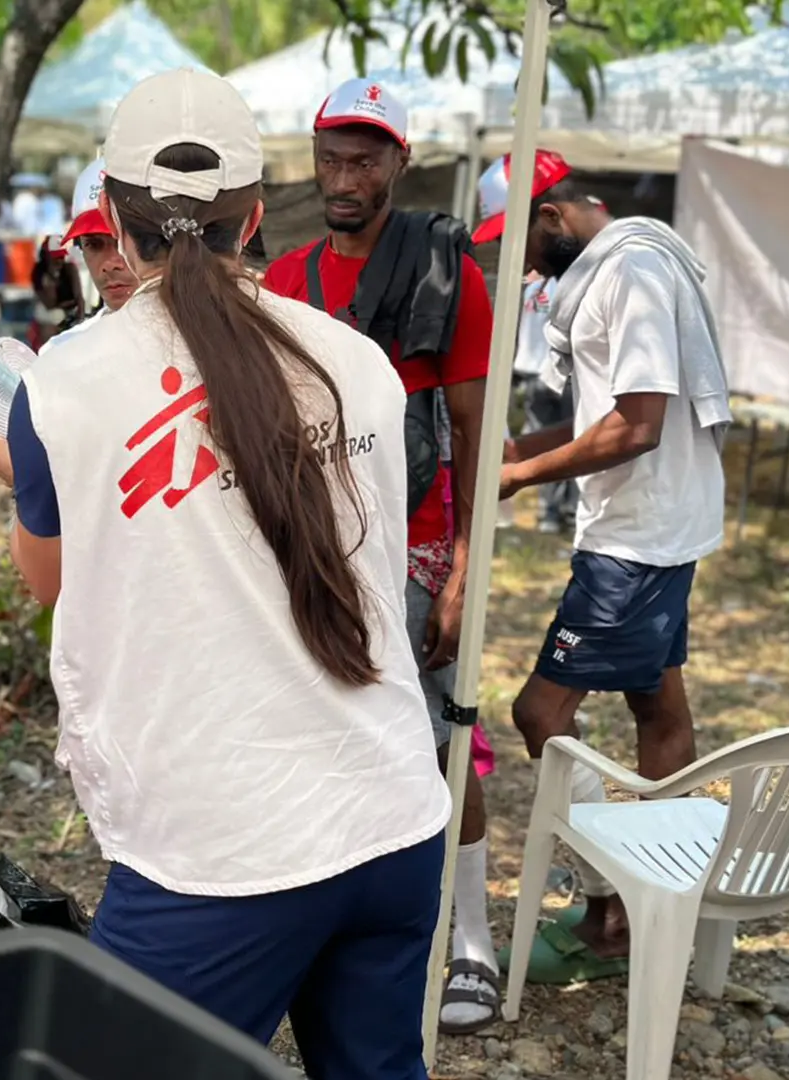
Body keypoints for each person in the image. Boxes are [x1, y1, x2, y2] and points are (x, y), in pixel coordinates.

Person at [0, 69, 451, 1079]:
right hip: (392, 811)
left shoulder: (61, 382)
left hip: (226, 846)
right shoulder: (355, 363)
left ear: (110, 214)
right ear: (255, 217)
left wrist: (26, 464)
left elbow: (49, 583)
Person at [260, 77, 501, 1034]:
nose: (344, 176)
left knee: (437, 733)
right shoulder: (286, 281)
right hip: (315, 539)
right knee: (319, 723)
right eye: (330, 158)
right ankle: (328, 922)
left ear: (401, 162)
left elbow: (479, 434)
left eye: (364, 159)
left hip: (419, 540)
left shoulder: (453, 277)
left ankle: (471, 936)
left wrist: (469, 574)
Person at [498, 154, 731, 974]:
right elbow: (607, 418)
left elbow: (636, 426)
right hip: (659, 527)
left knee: (540, 715)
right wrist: (518, 444)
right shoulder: (626, 264)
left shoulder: (629, 272)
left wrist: (521, 474)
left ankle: (611, 908)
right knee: (657, 711)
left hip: (635, 542)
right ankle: (653, 914)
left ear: (554, 216)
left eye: (522, 246)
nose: (523, 268)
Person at [476, 153, 574, 533]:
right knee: (550, 437)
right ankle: (554, 512)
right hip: (536, 370)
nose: (511, 254)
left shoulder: (602, 280)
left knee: (562, 441)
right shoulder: (539, 275)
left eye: (511, 237)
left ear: (550, 217)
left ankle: (559, 512)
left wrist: (519, 469)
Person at [39, 157, 139, 351]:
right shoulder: (61, 353)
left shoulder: (204, 341)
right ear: (80, 249)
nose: (110, 264)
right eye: (93, 244)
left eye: (123, 240)